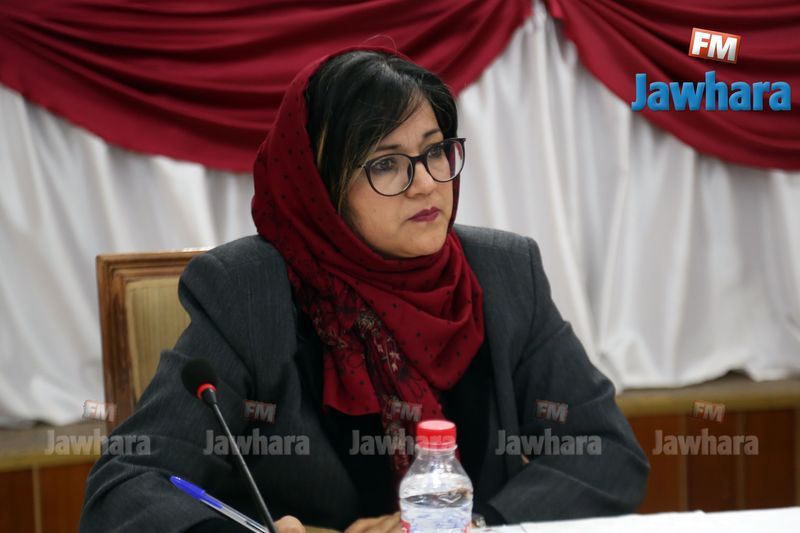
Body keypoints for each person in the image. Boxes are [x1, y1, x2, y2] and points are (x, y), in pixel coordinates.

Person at [80, 45, 648, 533]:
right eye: (386, 164)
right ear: (320, 186)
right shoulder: (247, 293)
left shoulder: (503, 272)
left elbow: (603, 450)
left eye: (434, 151)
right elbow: (127, 483)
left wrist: (472, 525)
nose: (425, 183)